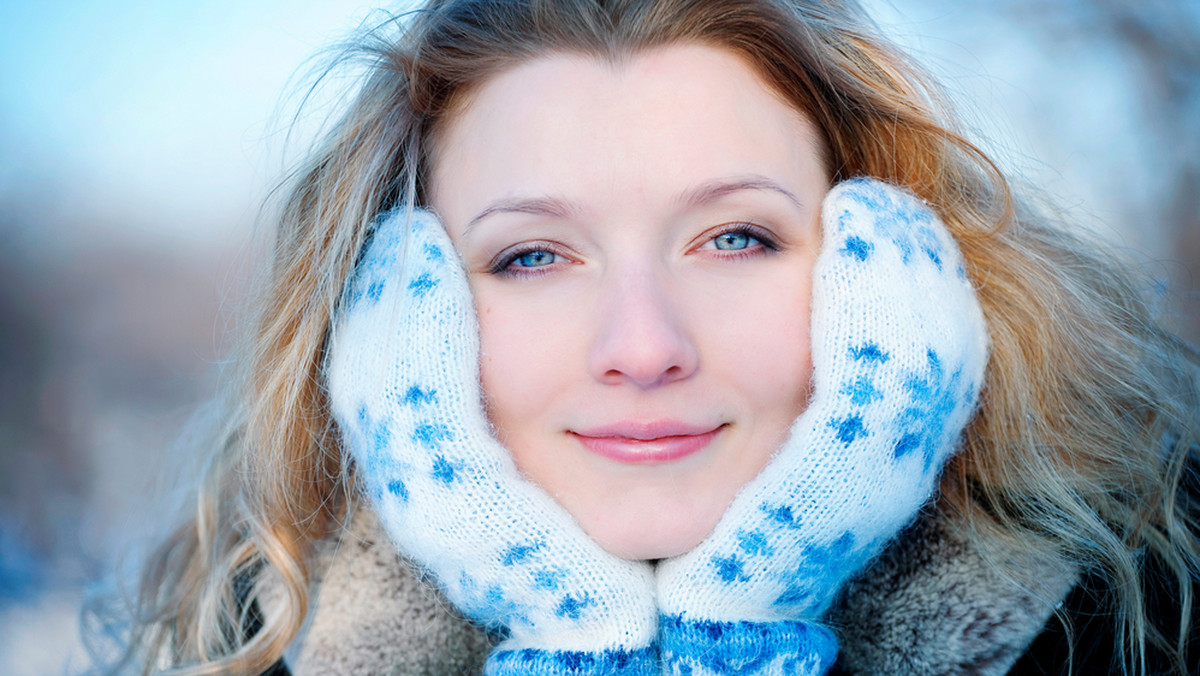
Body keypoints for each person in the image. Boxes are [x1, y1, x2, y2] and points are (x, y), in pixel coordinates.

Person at [92, 0, 1200, 674]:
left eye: (735, 238)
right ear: (389, 329)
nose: (644, 345)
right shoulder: (243, 649)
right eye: (532, 256)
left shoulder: (1150, 626)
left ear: (907, 278)